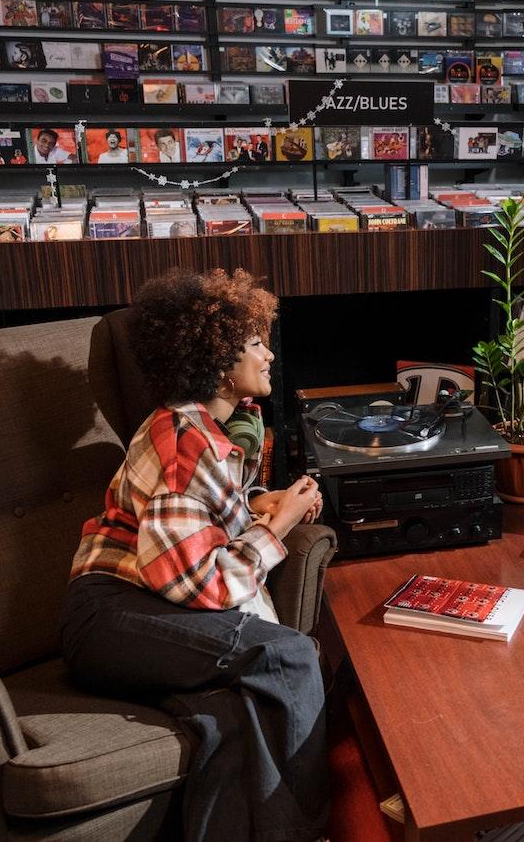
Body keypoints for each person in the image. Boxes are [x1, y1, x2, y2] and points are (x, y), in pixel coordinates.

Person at [62, 268, 329, 842]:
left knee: (227, 718)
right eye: (255, 343)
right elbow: (197, 584)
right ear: (217, 360)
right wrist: (275, 528)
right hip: (113, 617)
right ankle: (314, 830)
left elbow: (204, 516)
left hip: (149, 609)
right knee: (290, 658)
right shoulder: (185, 441)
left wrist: (262, 501)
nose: (269, 355)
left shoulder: (215, 426)